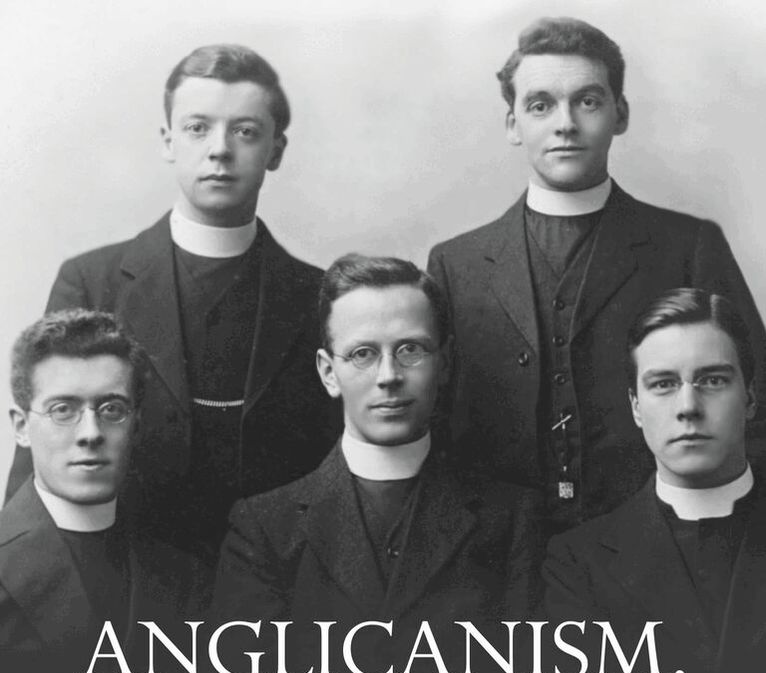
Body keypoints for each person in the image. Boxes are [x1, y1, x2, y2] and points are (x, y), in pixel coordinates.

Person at [428, 16, 766, 531]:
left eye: (587, 101)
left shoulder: (687, 246)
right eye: (540, 105)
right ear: (513, 125)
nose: (565, 123)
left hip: (653, 543)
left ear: (620, 114)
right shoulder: (456, 265)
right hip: (496, 549)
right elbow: (433, 431)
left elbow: (756, 408)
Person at [5, 44, 339, 565]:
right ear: (168, 141)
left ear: (276, 149)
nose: (219, 150)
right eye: (197, 128)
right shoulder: (91, 281)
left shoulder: (317, 296)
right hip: (122, 570)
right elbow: (45, 444)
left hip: (276, 579)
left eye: (245, 131)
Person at [212, 254, 543, 644]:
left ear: (445, 363)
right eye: (363, 354)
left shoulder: (511, 519)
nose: (389, 376)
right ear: (328, 373)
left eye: (410, 350)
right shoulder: (265, 528)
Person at [544, 288, 766, 673]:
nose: (688, 407)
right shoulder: (577, 565)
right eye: (663, 384)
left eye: (713, 380)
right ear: (635, 407)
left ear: (750, 398)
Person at [0, 310, 204, 673]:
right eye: (63, 410)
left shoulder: (185, 573)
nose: (91, 433)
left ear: (136, 425)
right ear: (21, 427)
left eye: (112, 409)